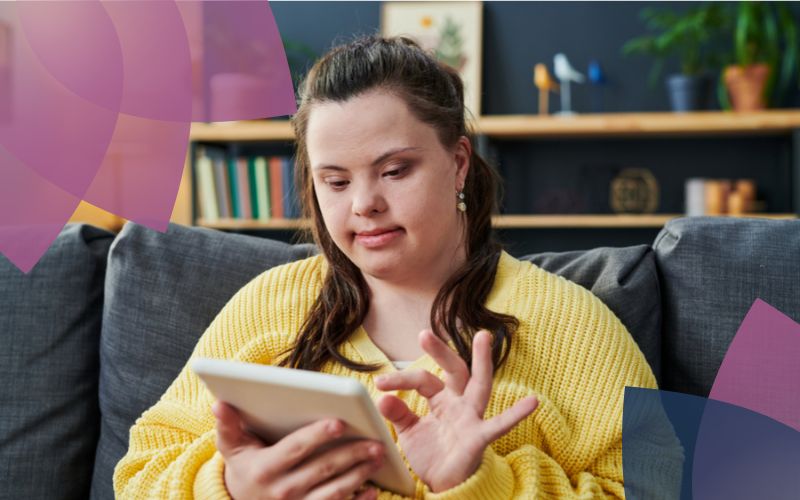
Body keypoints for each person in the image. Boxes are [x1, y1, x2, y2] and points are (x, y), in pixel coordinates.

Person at [114, 35, 669, 499]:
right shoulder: (268, 305)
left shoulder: (568, 323)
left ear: (457, 163)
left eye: (395, 171)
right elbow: (138, 477)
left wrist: (480, 481)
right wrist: (230, 485)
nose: (364, 204)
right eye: (335, 181)